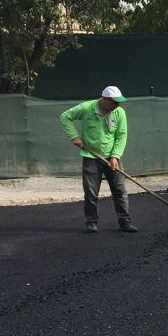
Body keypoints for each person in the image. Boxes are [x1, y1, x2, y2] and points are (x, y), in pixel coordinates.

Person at [60, 85, 136, 234]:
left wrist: (115, 156)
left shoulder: (119, 113)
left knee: (120, 191)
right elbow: (65, 117)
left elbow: (121, 136)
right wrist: (74, 136)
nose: (117, 105)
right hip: (91, 157)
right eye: (114, 102)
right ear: (105, 99)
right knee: (91, 193)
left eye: (119, 102)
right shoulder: (87, 108)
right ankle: (91, 223)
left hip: (112, 158)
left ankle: (125, 221)